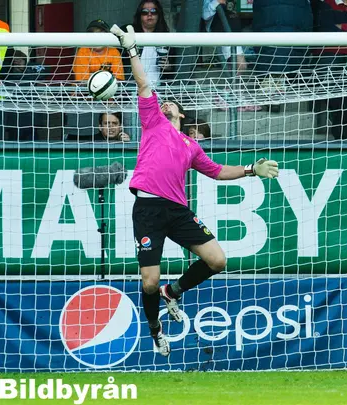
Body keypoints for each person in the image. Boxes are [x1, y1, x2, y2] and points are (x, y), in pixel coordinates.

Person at [111, 23, 279, 356]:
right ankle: (156, 329)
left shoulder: (191, 146)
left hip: (176, 212)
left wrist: (250, 170)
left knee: (217, 260)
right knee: (148, 282)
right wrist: (132, 49)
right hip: (147, 210)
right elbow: (144, 84)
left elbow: (217, 172)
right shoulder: (153, 122)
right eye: (164, 102)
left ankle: (173, 292)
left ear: (182, 114)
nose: (166, 104)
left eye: (171, 103)